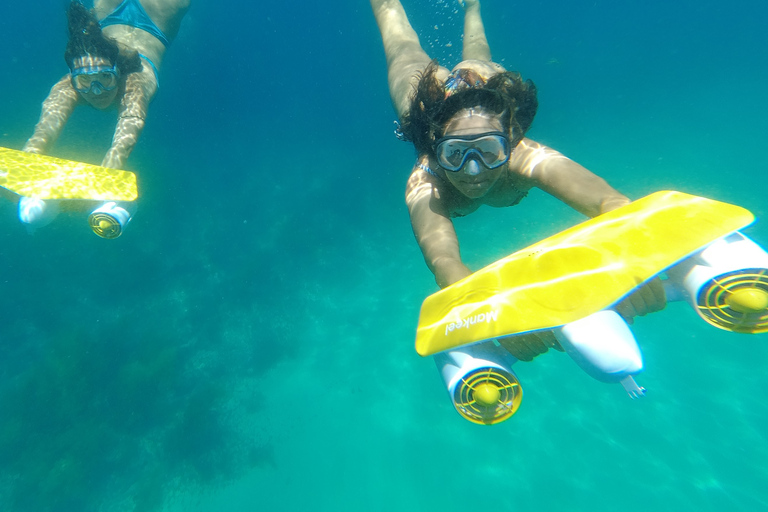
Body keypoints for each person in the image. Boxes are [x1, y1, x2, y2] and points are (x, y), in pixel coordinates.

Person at [371, 0, 665, 360]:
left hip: (480, 87)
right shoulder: (426, 181)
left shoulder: (526, 154)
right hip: (426, 108)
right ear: (435, 147)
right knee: (401, 47)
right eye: (455, 154)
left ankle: (471, 6)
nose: (473, 170)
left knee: (476, 62)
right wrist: (496, 317)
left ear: (511, 138)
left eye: (489, 151)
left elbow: (609, 202)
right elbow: (445, 263)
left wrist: (638, 258)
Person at [18, 0, 190, 232]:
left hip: (157, 14)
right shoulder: (69, 85)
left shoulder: (135, 83)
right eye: (85, 82)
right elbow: (47, 122)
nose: (96, 91)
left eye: (106, 79)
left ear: (117, 72)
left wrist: (108, 178)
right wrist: (31, 157)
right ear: (73, 78)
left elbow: (130, 124)